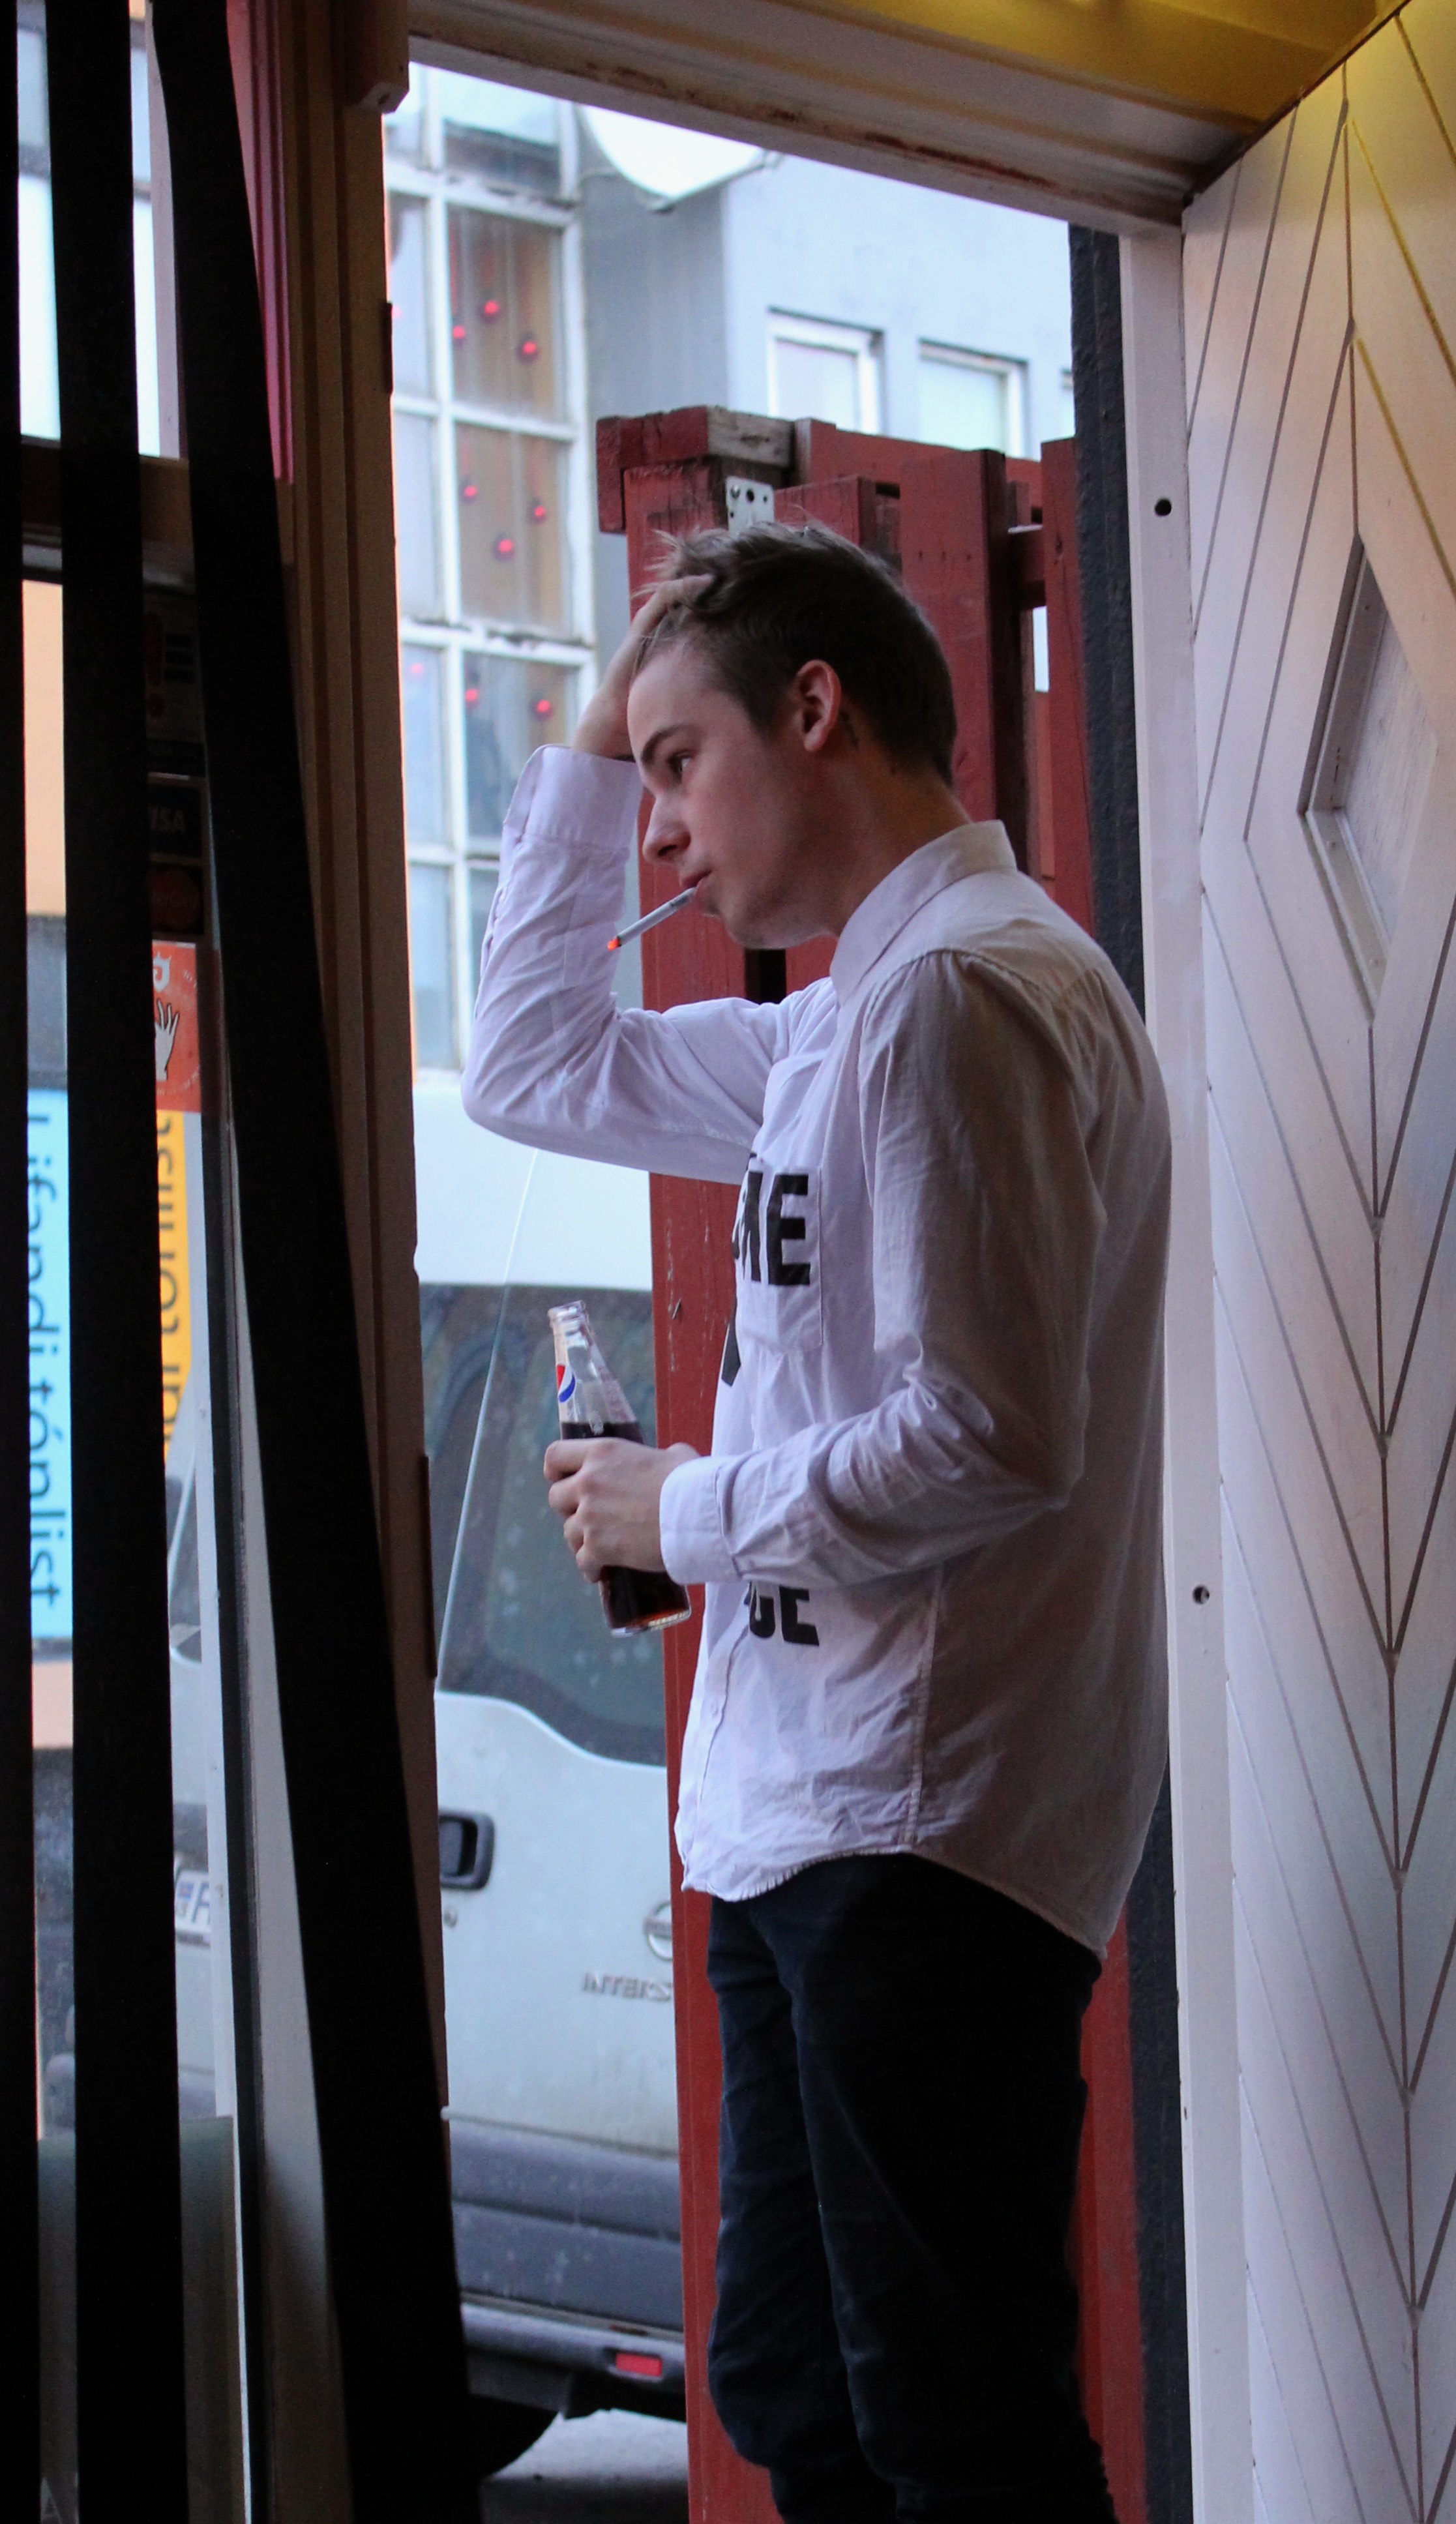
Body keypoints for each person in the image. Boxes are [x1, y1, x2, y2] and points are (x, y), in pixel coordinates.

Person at [462, 524, 1170, 2524]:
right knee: (800, 2390)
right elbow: (533, 1065)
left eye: (678, 765)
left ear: (813, 710)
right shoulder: (853, 1019)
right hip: (822, 1814)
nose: (660, 830)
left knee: (947, 2422)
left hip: (919, 1818)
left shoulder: (962, 998)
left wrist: (678, 1508)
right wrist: (597, 733)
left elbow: (988, 1438)